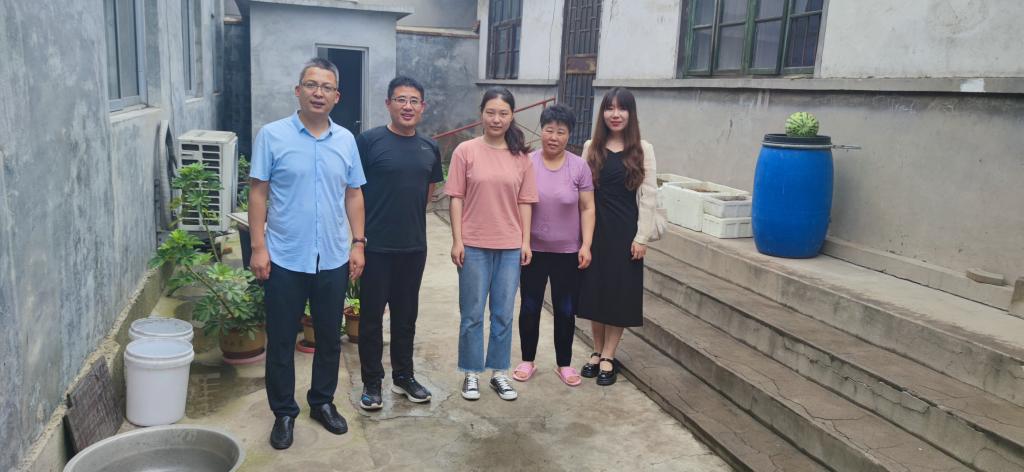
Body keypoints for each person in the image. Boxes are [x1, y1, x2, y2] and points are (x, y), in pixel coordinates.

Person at [248, 57, 366, 450]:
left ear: (337, 96)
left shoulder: (346, 140)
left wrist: (358, 242)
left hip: (332, 256)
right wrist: (259, 247)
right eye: (311, 85)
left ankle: (322, 402)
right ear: (298, 91)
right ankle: (284, 412)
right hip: (285, 256)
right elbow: (258, 193)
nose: (319, 93)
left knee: (329, 337)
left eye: (326, 87)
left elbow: (354, 194)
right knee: (282, 339)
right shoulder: (272, 135)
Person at [355, 76, 443, 410]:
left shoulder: (429, 147)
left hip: (413, 247)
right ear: (389, 103)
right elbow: (354, 192)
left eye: (414, 101)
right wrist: (357, 241)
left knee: (406, 318)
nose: (407, 106)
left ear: (423, 106)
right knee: (371, 319)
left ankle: (404, 376)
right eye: (401, 99)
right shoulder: (369, 141)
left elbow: (428, 193)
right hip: (375, 246)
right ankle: (372, 382)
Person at [445, 87, 538, 401]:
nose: (496, 119)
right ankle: (471, 372)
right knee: (472, 313)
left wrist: (525, 241)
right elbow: (456, 198)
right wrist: (457, 240)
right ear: (481, 114)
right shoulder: (465, 151)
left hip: (510, 247)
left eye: (503, 113)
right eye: (491, 112)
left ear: (512, 116)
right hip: (473, 245)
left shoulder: (521, 157)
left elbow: (525, 201)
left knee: (503, 313)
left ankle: (499, 373)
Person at [577, 87, 658, 386]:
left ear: (630, 113)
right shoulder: (591, 147)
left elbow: (649, 197)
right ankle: (596, 350)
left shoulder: (643, 149)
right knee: (595, 292)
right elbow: (581, 193)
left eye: (621, 108)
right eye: (609, 108)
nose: (615, 114)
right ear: (602, 113)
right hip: (594, 231)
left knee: (619, 294)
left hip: (626, 233)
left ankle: (609, 355)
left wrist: (642, 237)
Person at [512, 104, 595, 387]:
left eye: (561, 132)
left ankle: (564, 364)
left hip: (568, 252)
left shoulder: (579, 166)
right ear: (541, 130)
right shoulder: (527, 162)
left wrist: (586, 244)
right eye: (549, 130)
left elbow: (587, 208)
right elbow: (519, 203)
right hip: (532, 251)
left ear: (569, 135)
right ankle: (527, 360)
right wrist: (523, 241)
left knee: (565, 308)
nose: (554, 137)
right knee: (529, 307)